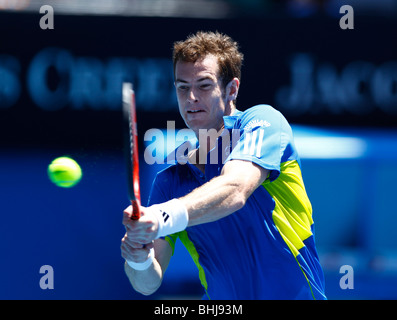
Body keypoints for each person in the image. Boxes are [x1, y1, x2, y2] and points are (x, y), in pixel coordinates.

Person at [121, 31, 326, 300]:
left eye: (204, 85)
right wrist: (139, 258)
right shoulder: (169, 181)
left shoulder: (263, 122)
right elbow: (147, 284)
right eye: (182, 87)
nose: (191, 97)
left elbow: (236, 189)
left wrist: (160, 217)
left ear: (231, 89)